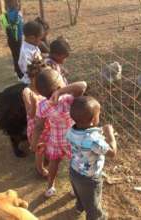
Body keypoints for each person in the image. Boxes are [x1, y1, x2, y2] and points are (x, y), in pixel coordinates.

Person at [31, 66, 87, 197]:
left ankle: (50, 187)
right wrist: (61, 91)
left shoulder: (42, 105)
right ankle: (75, 189)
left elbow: (38, 126)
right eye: (61, 79)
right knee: (75, 165)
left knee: (54, 162)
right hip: (72, 139)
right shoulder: (68, 98)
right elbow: (82, 85)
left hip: (55, 139)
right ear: (58, 87)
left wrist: (34, 143)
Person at [66, 96, 117, 220]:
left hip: (74, 170)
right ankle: (97, 217)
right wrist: (110, 136)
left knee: (79, 193)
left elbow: (85, 137)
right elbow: (112, 153)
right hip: (89, 178)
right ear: (94, 119)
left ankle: (80, 207)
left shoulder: (70, 131)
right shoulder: (94, 140)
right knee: (93, 202)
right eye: (98, 114)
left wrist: (99, 132)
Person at [22, 58, 49, 177]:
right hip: (36, 126)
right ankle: (39, 168)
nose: (40, 82)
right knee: (39, 149)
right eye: (37, 79)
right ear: (31, 77)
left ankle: (47, 156)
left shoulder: (45, 87)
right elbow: (31, 114)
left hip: (47, 124)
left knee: (47, 143)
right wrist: (33, 103)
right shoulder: (27, 91)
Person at [1, 0, 23, 79]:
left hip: (10, 39)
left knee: (15, 55)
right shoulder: (17, 13)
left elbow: (4, 27)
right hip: (18, 39)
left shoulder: (4, 15)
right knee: (19, 56)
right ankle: (20, 73)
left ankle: (17, 71)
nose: (18, 3)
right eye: (16, 1)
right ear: (11, 3)